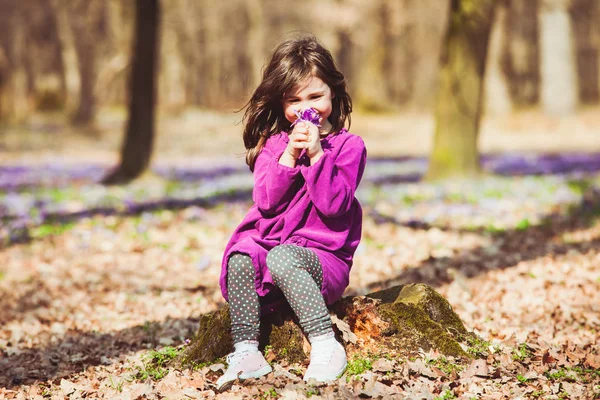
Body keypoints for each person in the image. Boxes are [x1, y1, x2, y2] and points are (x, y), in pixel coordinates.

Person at [216, 34, 367, 390]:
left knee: (284, 258)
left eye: (315, 96)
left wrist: (316, 156)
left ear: (333, 93)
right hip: (273, 245)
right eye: (294, 101)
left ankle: (326, 345)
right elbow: (266, 202)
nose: (305, 108)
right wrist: (288, 157)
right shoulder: (275, 145)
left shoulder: (348, 146)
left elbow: (334, 205)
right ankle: (247, 350)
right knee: (241, 255)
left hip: (322, 256)